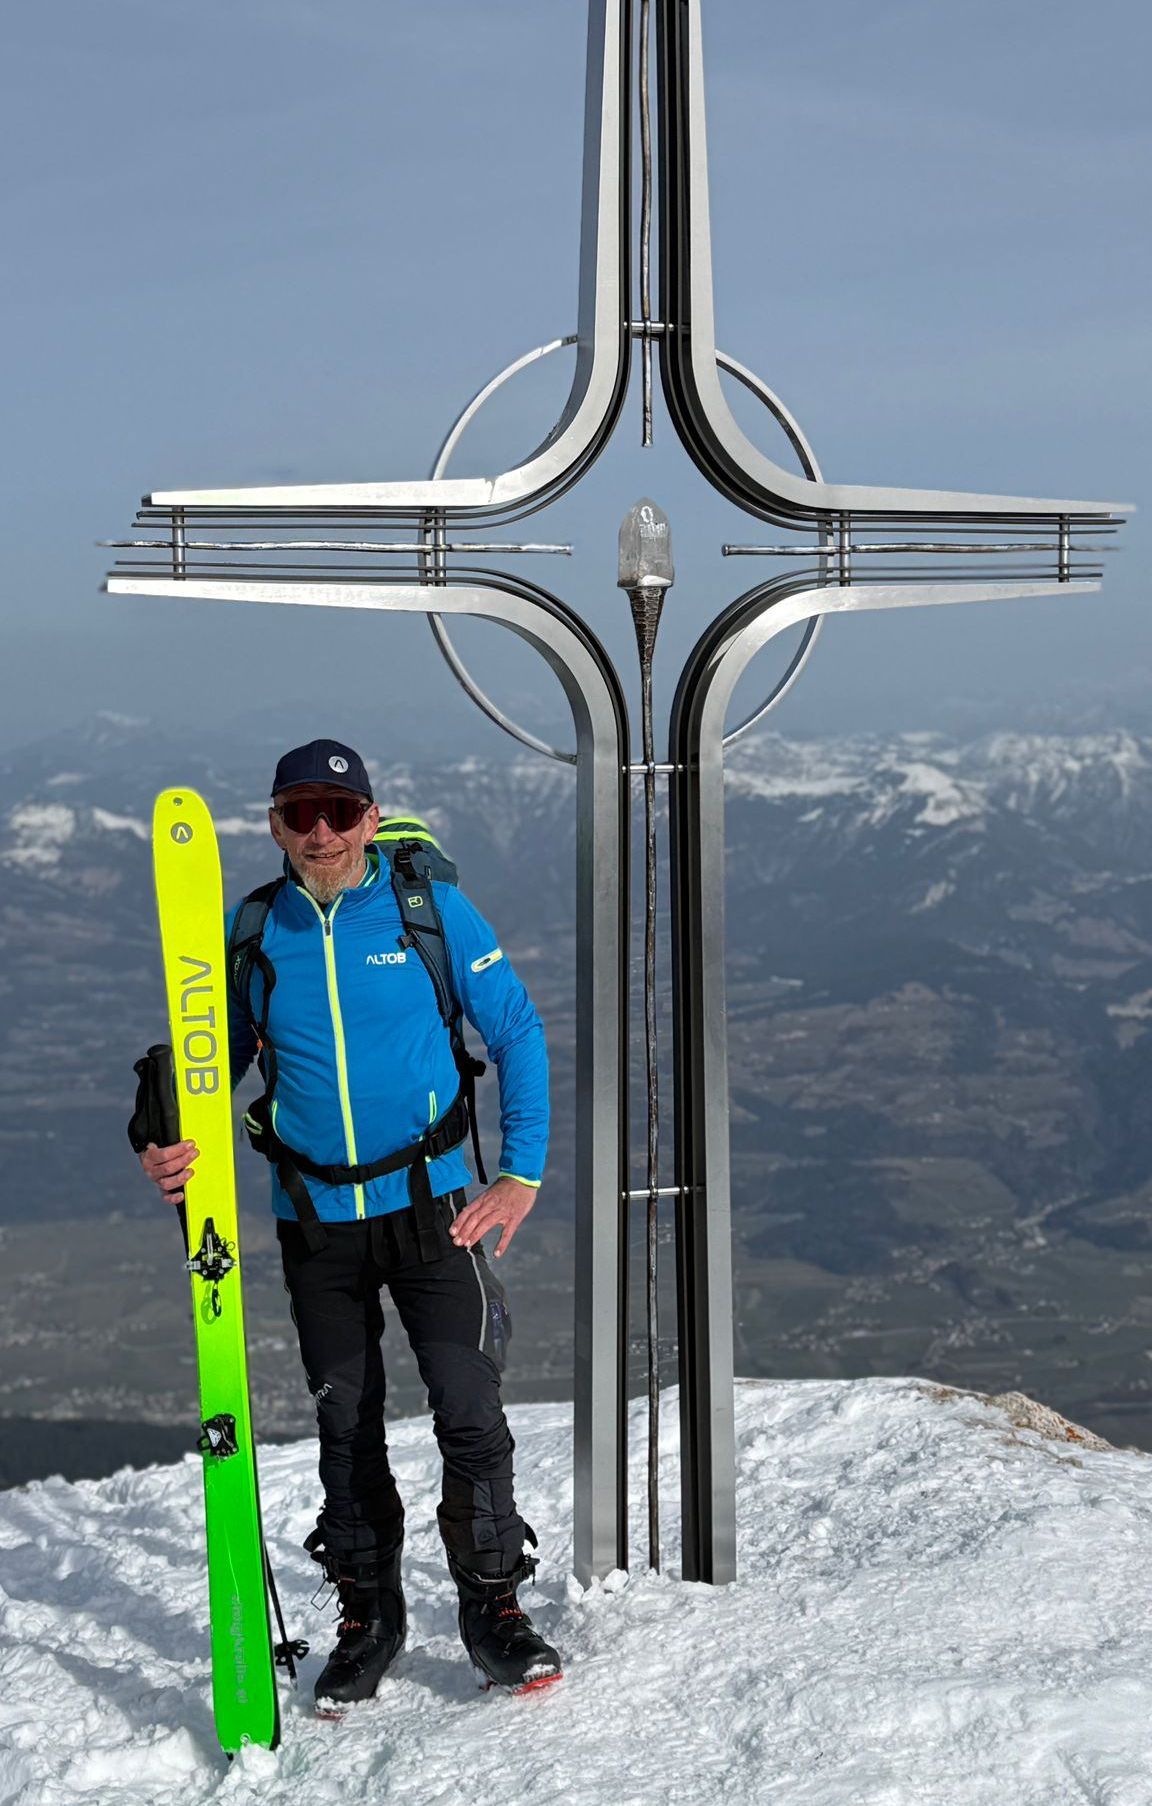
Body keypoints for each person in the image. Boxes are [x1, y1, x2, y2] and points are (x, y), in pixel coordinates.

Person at [139, 737, 561, 1706]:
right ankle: (370, 1618)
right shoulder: (252, 932)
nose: (320, 830)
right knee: (346, 1423)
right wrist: (159, 1136)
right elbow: (208, 1061)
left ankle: (494, 1611)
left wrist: (521, 1174)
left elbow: (518, 1030)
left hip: (433, 1211)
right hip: (316, 1220)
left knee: (468, 1407)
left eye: (339, 811)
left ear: (372, 818)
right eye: (300, 813)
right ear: (276, 824)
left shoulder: (428, 914)